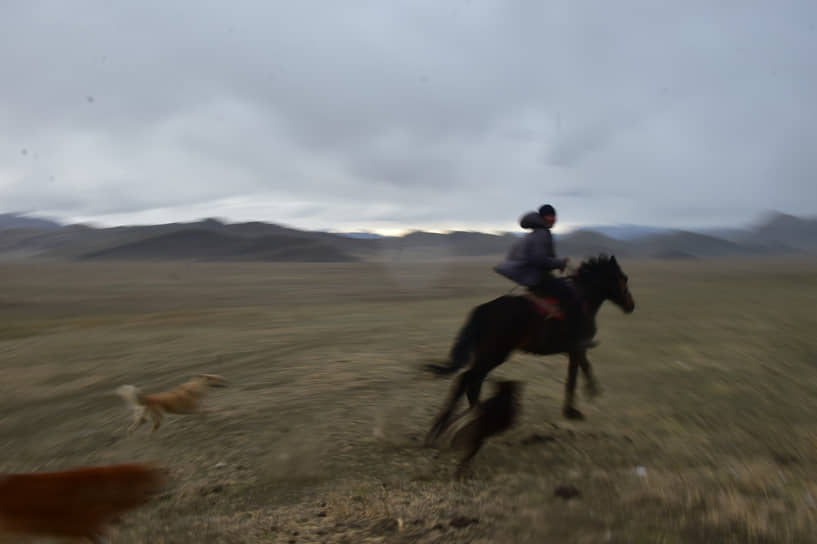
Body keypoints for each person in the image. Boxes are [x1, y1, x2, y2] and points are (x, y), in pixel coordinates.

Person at [494, 204, 596, 349]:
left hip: (535, 277)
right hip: (539, 279)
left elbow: (541, 259)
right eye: (549, 216)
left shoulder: (535, 233)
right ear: (542, 217)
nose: (553, 219)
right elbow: (538, 259)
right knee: (573, 295)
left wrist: (557, 264)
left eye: (554, 216)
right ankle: (576, 338)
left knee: (565, 285)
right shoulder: (542, 233)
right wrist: (559, 262)